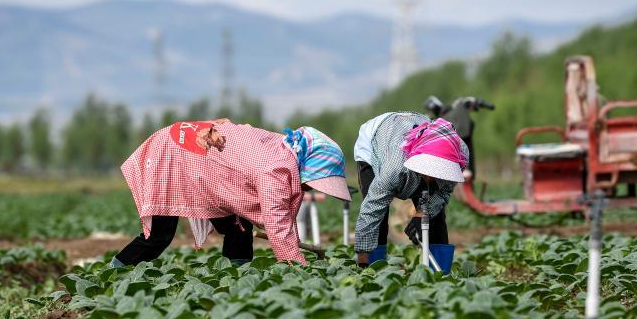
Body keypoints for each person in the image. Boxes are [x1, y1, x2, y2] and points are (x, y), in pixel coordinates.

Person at [116, 119, 350, 266]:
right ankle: (114, 274)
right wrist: (296, 264)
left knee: (239, 227)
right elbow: (277, 222)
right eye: (315, 182)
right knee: (158, 236)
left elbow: (284, 217)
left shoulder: (288, 149)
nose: (311, 187)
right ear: (308, 167)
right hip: (172, 154)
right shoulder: (274, 169)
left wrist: (292, 242)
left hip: (212, 167)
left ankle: (234, 279)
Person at [352, 112, 468, 267]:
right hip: (376, 138)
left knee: (436, 217)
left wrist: (422, 214)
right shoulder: (393, 169)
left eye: (441, 171)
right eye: (431, 171)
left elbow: (443, 191)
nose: (435, 177)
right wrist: (363, 256)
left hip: (411, 126)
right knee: (380, 216)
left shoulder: (460, 153)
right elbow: (372, 209)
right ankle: (373, 269)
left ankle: (440, 272)